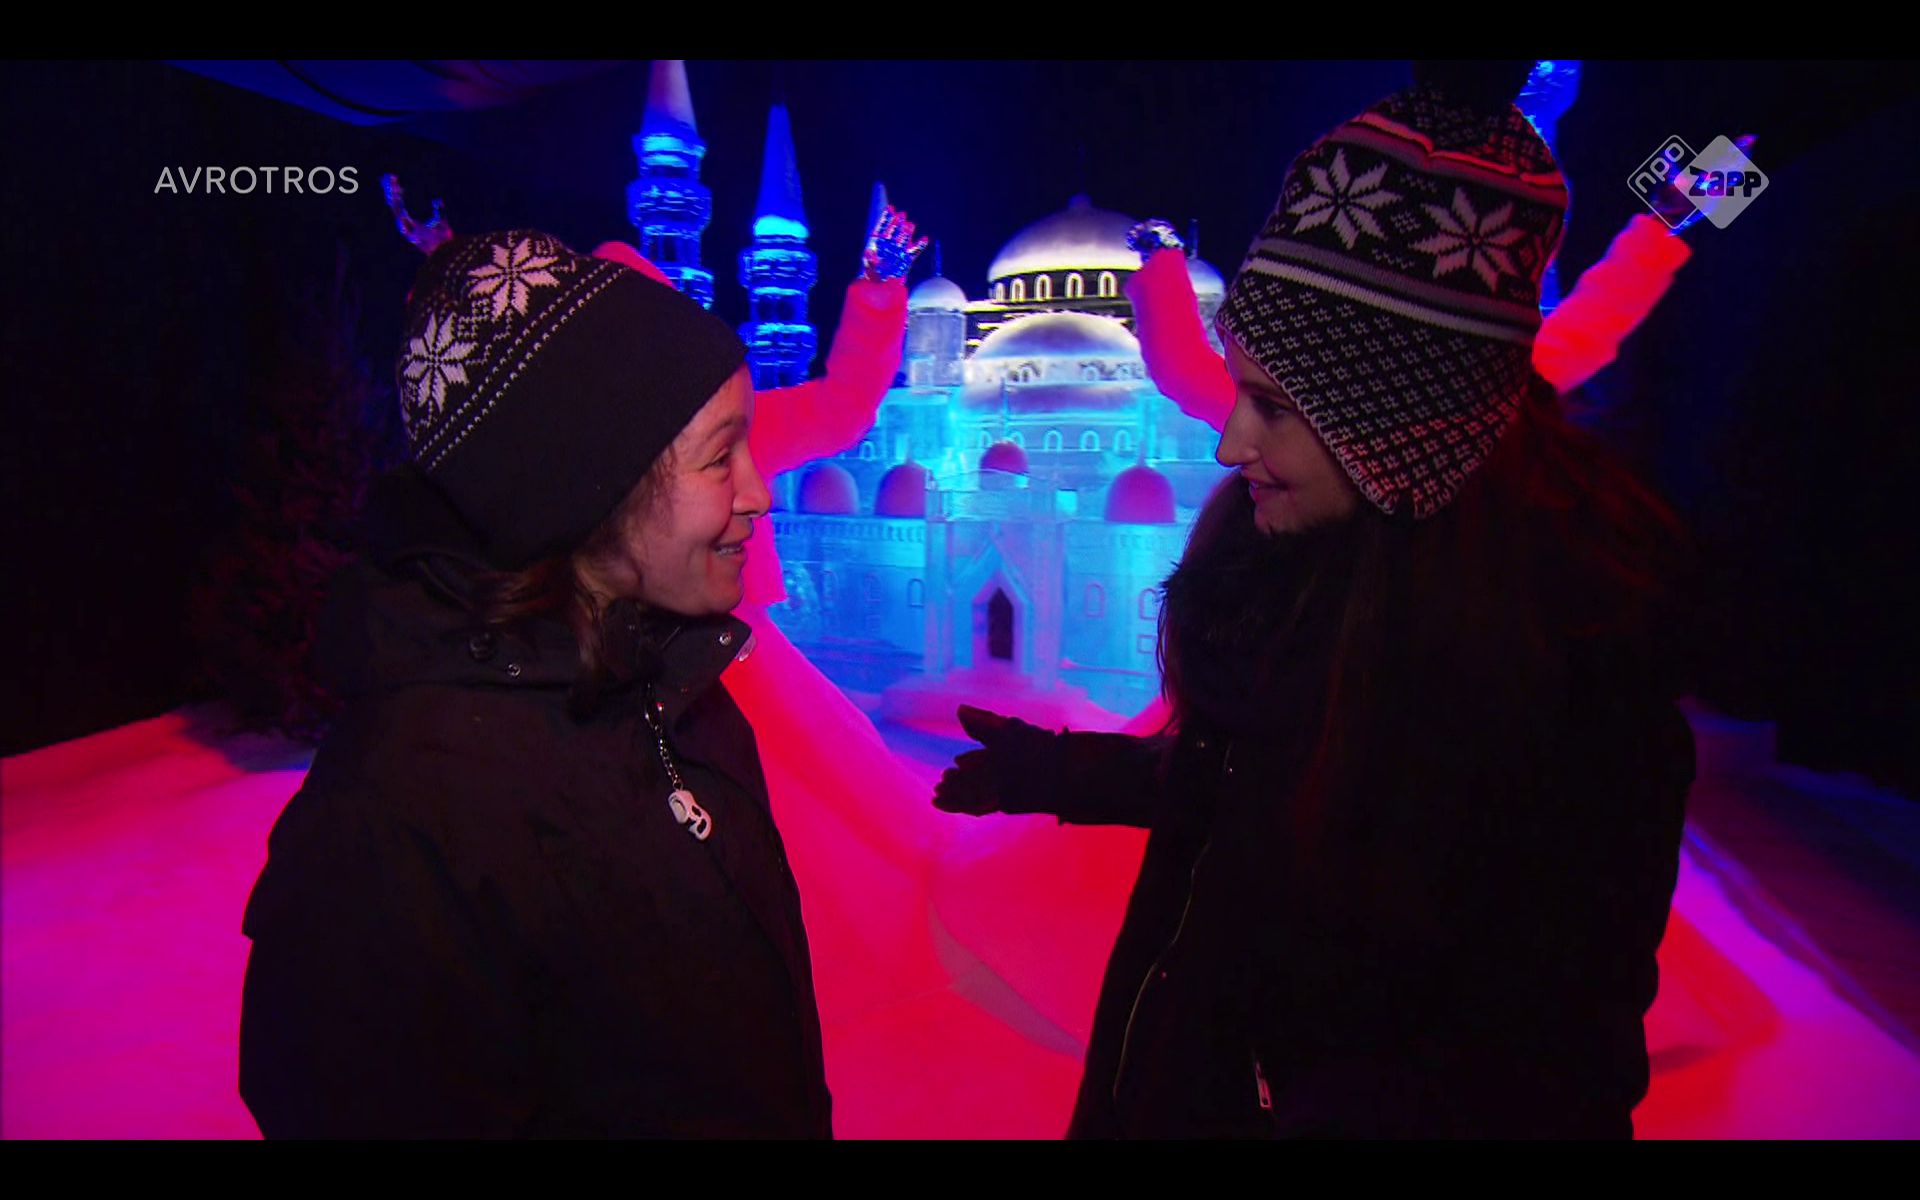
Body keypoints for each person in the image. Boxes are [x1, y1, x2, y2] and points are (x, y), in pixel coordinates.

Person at [935, 80, 1696, 1138]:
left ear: (1397, 422)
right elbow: (1268, 787)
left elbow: (1555, 1058)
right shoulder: (1294, 576)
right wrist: (1073, 774)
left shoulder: (1566, 690)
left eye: (1273, 408)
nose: (1227, 444)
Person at [238, 226, 831, 1138]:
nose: (758, 493)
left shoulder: (676, 687)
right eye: (721, 457)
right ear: (587, 483)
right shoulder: (397, 825)